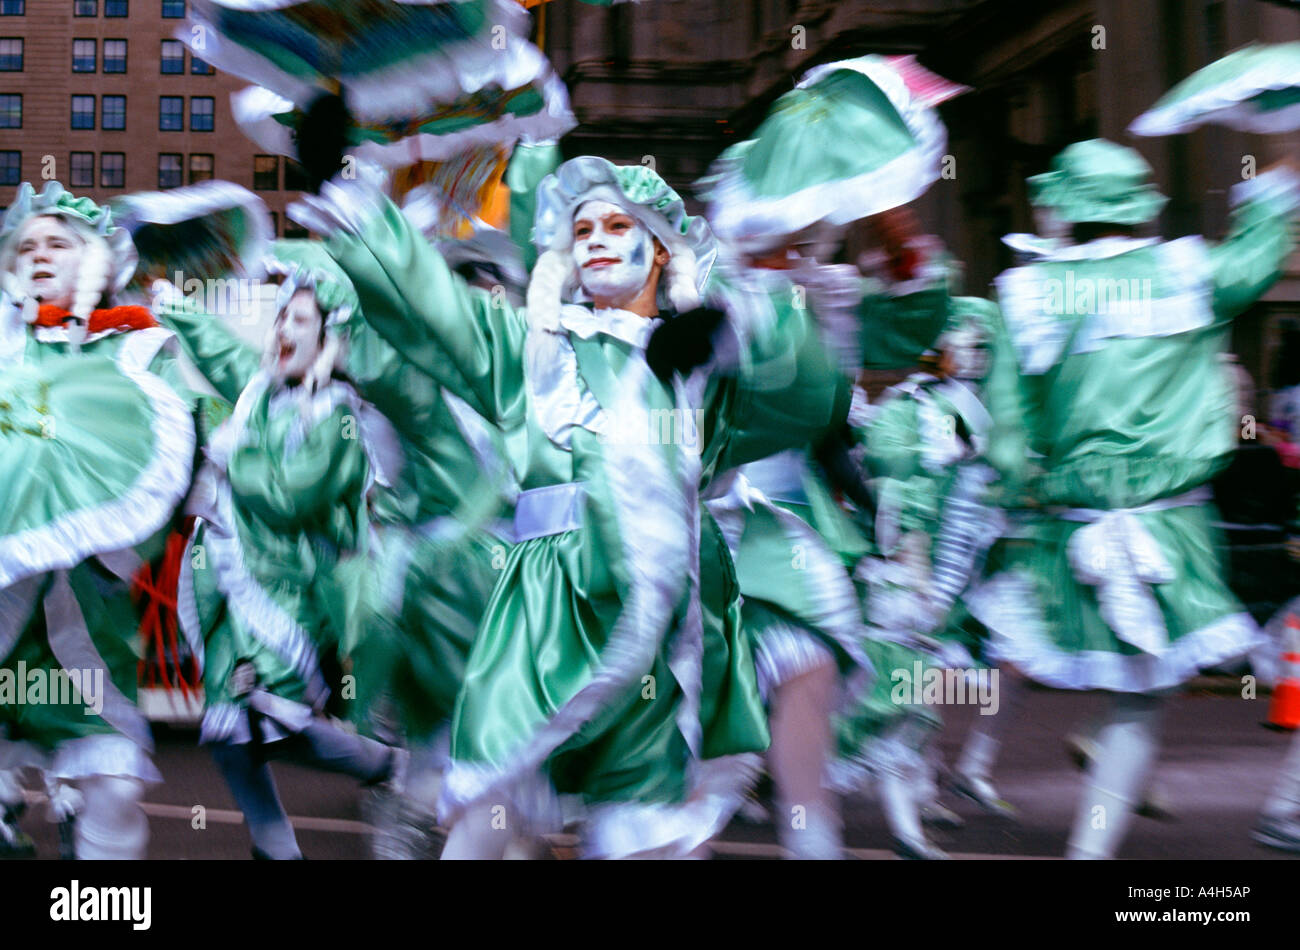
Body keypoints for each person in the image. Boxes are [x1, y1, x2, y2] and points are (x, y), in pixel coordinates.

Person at [290, 155, 848, 858]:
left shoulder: (701, 357)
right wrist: (357, 205)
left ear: (661, 248)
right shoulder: (529, 351)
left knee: (640, 838)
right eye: (583, 228)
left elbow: (811, 398)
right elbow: (433, 305)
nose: (597, 239)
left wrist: (742, 324)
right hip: (541, 616)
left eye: (619, 225)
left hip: (663, 620)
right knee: (484, 824)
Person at [967, 140, 1300, 859]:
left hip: (1067, 529)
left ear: (1066, 212)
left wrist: (1024, 499)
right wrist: (1275, 174)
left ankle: (1092, 816)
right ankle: (1092, 845)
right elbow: (1255, 260)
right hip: (1172, 527)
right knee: (1141, 696)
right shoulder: (1186, 272)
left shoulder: (1022, 295)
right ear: (1138, 206)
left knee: (1126, 689)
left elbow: (1006, 435)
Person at [153, 257, 408, 859]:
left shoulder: (341, 416)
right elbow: (217, 350)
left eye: (301, 319)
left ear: (331, 336)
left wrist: (225, 454)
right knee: (226, 734)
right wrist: (172, 303)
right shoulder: (258, 390)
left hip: (293, 595)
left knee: (273, 714)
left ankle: (379, 762)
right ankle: (276, 846)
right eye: (281, 318)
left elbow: (293, 496)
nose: (284, 331)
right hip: (225, 588)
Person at [0, 182, 201, 859]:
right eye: (25, 245)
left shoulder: (138, 351)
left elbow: (185, 461)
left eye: (58, 242)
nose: (39, 253)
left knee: (111, 782)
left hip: (84, 616)